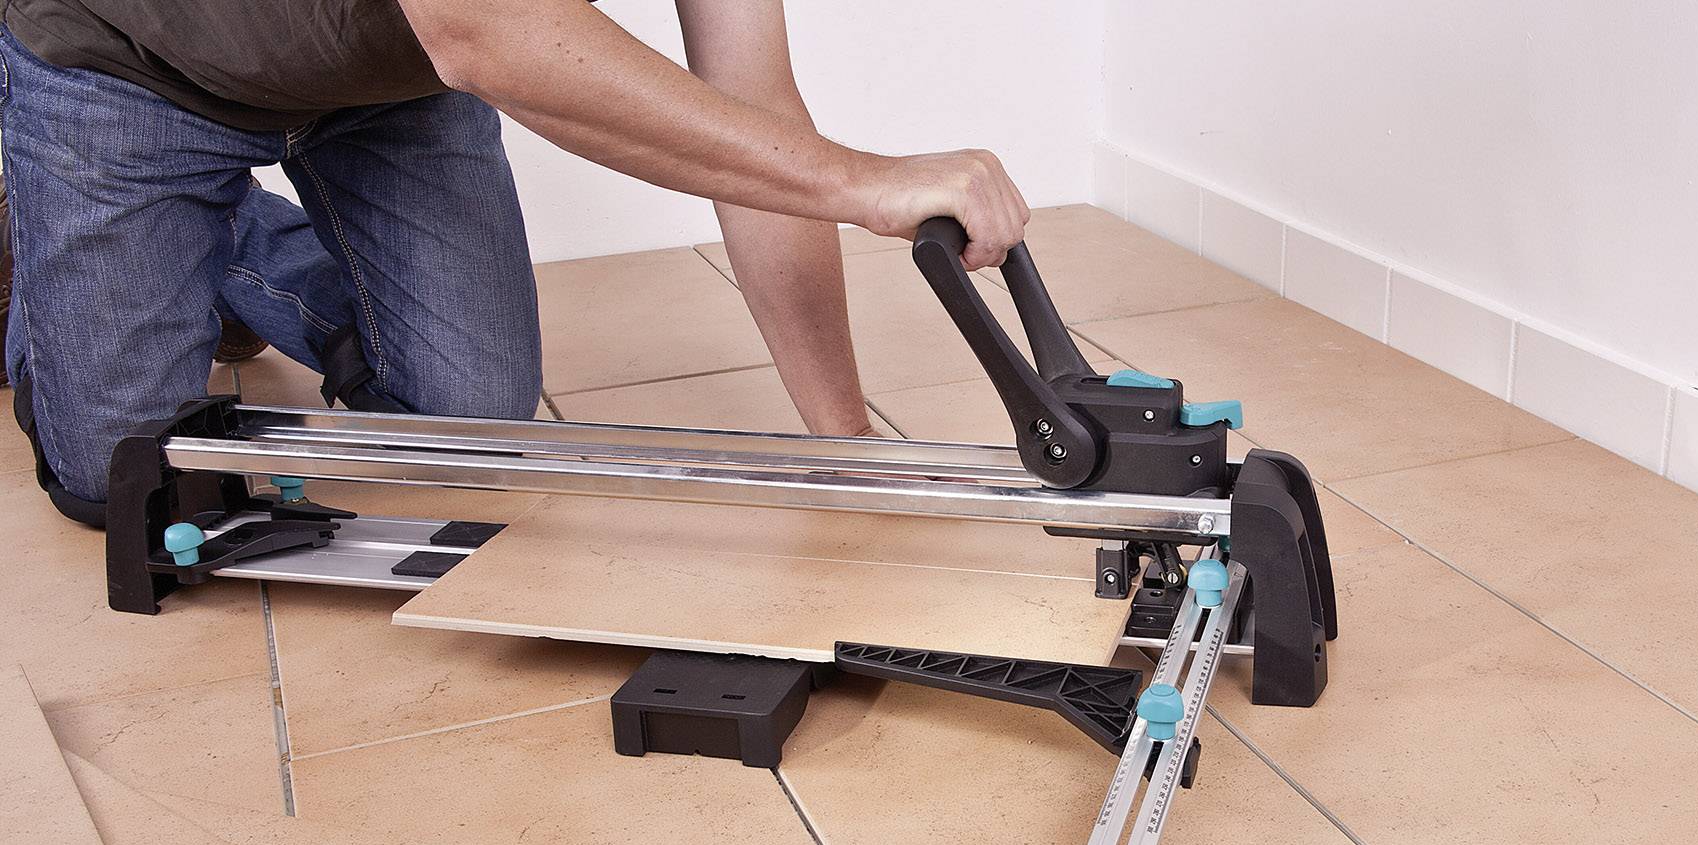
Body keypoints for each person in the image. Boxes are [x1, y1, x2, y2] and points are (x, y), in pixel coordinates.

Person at [0, 0, 1031, 525]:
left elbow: (754, 106)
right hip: (132, 63)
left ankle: (202, 241)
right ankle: (58, 224)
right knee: (119, 484)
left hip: (385, 76)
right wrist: (861, 182)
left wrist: (843, 446)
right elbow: (490, 31)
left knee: (469, 421)